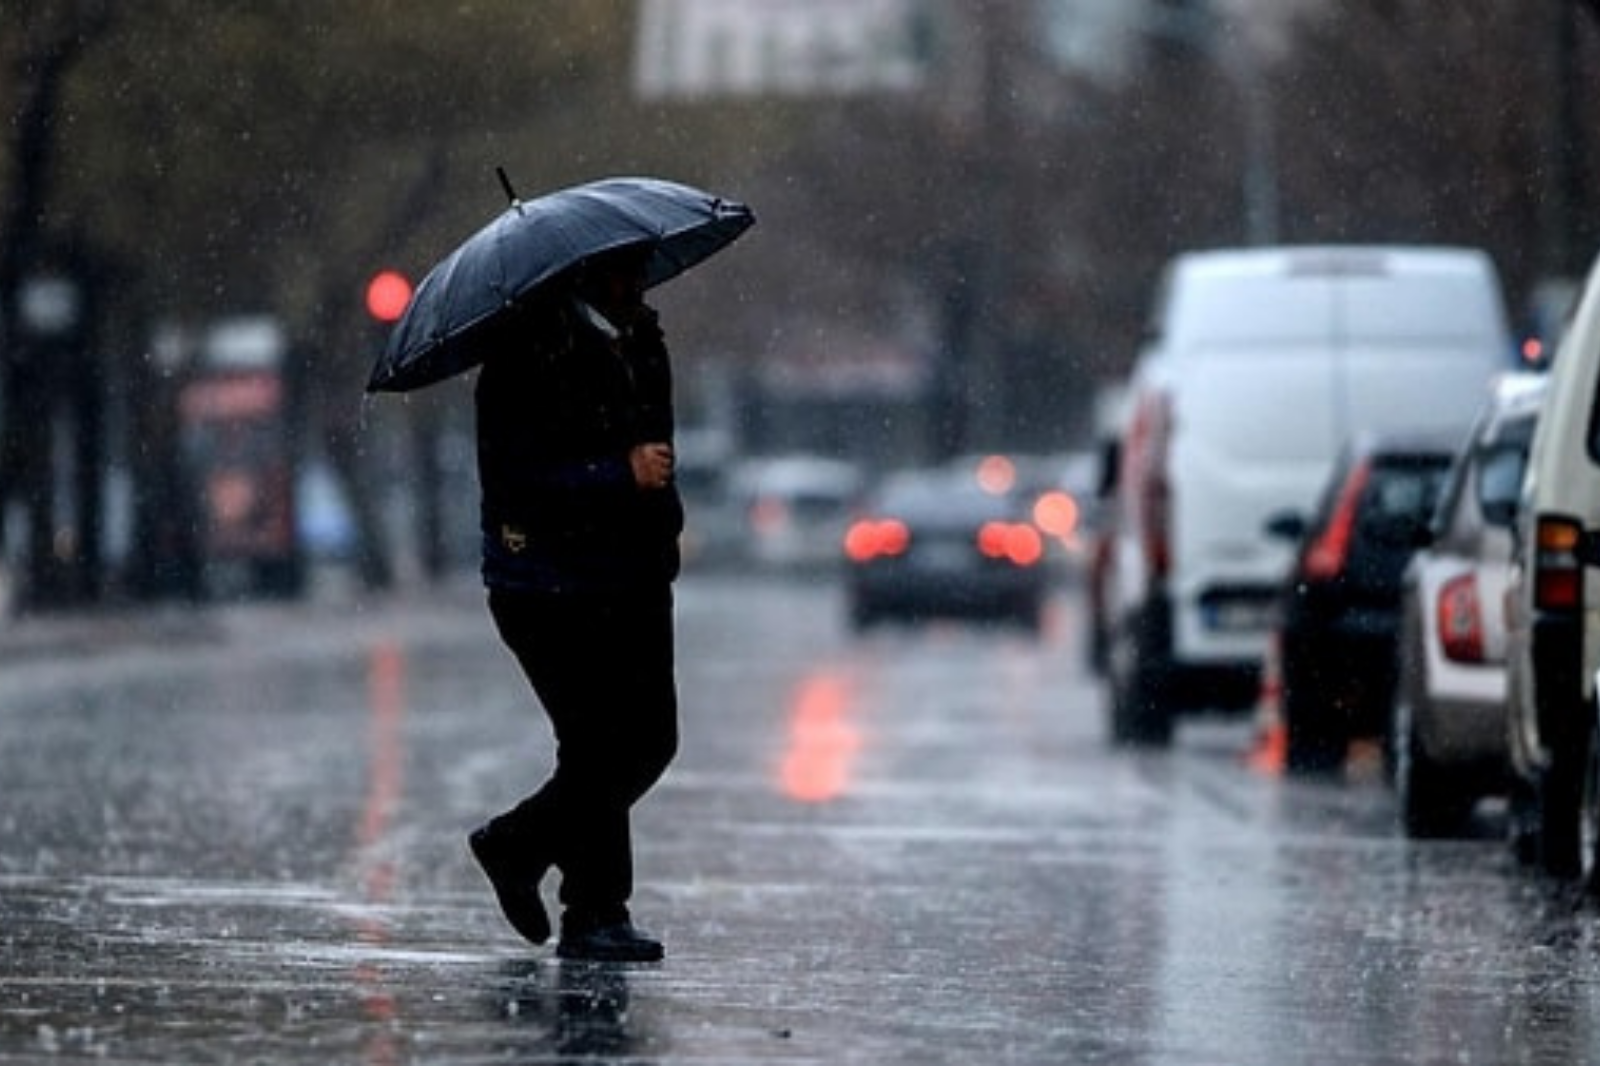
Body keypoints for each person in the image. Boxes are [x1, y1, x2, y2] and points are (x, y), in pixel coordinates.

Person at [467, 241, 681, 963]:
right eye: (627, 270)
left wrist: (660, 523)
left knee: (648, 741)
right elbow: (518, 481)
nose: (640, 283)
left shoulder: (643, 341)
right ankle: (594, 911)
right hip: (548, 584)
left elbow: (659, 448)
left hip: (635, 574)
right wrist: (616, 474)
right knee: (598, 745)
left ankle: (519, 848)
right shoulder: (526, 356)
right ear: (588, 275)